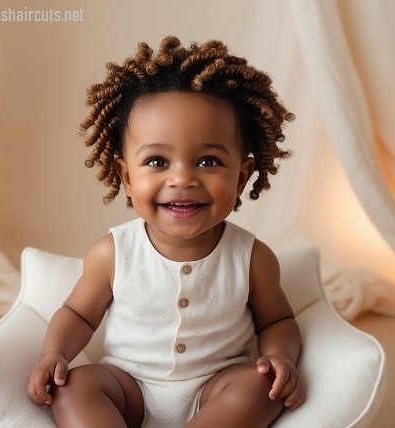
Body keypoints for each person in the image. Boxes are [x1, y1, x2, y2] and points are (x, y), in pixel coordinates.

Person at [26, 35, 306, 428]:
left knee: (260, 387)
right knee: (73, 387)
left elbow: (277, 322)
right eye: (157, 160)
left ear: (242, 177)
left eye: (208, 160)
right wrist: (53, 354)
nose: (182, 178)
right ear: (125, 176)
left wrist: (280, 357)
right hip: (129, 388)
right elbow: (77, 314)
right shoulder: (113, 252)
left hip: (216, 389)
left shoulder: (252, 258)